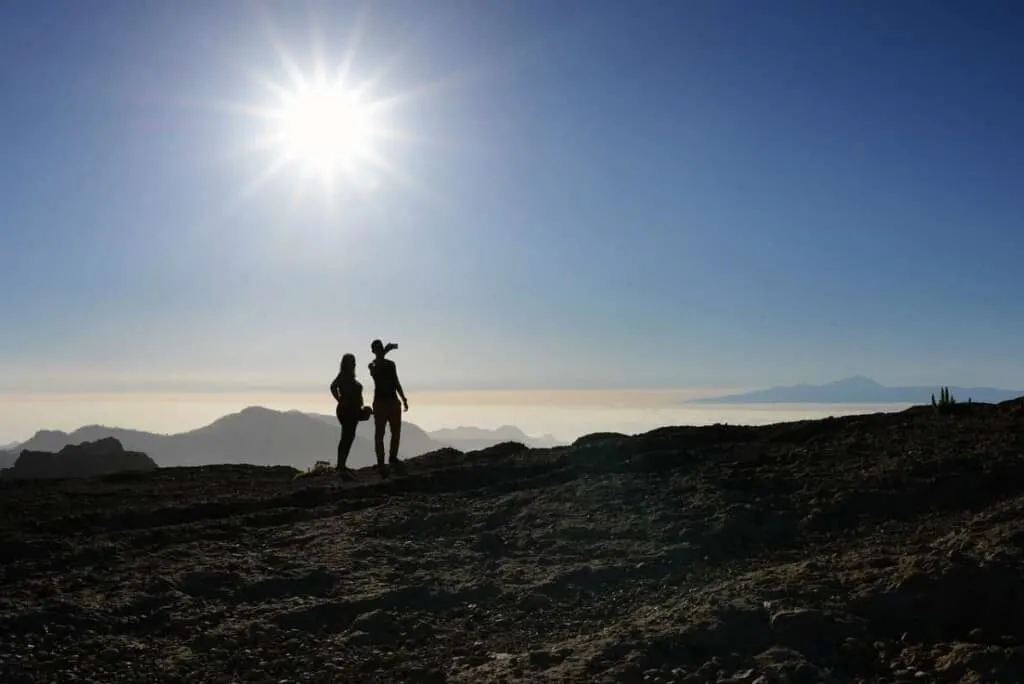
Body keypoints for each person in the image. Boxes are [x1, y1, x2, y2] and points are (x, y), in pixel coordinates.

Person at [368, 339, 408, 477]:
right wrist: (385, 351)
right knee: (380, 434)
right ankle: (381, 462)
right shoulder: (372, 365)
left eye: (380, 348)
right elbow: (376, 371)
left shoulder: (391, 365)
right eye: (377, 348)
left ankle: (392, 457)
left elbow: (396, 382)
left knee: (395, 432)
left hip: (392, 401)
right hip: (380, 403)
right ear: (373, 351)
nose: (379, 350)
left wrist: (403, 398)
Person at [329, 353, 372, 479]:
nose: (353, 364)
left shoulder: (350, 377)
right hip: (347, 410)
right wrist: (340, 400)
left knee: (349, 436)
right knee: (346, 436)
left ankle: (342, 464)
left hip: (352, 410)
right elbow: (333, 386)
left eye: (354, 361)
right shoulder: (343, 375)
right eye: (351, 361)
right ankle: (341, 465)